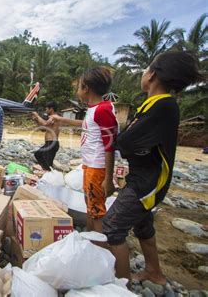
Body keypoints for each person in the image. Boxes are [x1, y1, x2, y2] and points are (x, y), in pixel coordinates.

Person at [102, 51, 205, 285]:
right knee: (142, 223)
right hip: (143, 176)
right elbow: (135, 140)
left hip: (148, 182)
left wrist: (123, 140)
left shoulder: (164, 106)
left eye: (146, 68)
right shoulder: (154, 104)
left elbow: (126, 141)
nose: (143, 73)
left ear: (153, 75)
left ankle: (122, 284)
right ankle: (154, 272)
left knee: (112, 226)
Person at [51, 67, 118, 233]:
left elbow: (110, 145)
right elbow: (87, 125)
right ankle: (89, 239)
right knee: (90, 204)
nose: (77, 90)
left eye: (78, 86)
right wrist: (62, 120)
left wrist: (108, 179)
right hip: (89, 165)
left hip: (97, 167)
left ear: (86, 88)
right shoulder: (94, 109)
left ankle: (99, 246)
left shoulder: (103, 110)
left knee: (97, 211)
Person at [31, 101, 60, 170]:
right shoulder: (51, 118)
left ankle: (48, 173)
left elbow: (44, 124)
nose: (46, 111)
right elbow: (43, 129)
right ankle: (45, 170)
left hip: (52, 143)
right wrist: (36, 120)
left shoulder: (55, 117)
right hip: (49, 143)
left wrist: (37, 116)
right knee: (38, 154)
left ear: (51, 109)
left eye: (47, 109)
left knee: (47, 164)